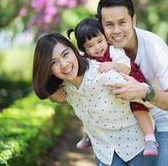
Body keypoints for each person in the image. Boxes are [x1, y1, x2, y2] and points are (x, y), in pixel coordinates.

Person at [32, 33, 155, 166]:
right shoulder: (64, 88)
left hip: (136, 148)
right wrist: (53, 97)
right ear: (48, 69)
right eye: (53, 62)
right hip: (105, 155)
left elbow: (149, 101)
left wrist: (145, 92)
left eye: (65, 54)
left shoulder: (102, 74)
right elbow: (44, 89)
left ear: (74, 51)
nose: (64, 64)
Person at [96, 0, 168, 166]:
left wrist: (145, 92)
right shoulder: (98, 47)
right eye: (109, 25)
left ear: (133, 20)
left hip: (160, 115)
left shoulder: (154, 46)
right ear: (101, 26)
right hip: (122, 120)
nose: (116, 31)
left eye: (122, 22)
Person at [68, 17, 158, 156]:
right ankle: (91, 136)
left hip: (129, 85)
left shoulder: (114, 51)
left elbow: (127, 68)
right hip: (109, 92)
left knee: (139, 110)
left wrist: (114, 65)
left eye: (99, 41)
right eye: (91, 46)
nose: (98, 48)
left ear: (105, 37)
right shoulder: (84, 57)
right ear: (84, 48)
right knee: (92, 108)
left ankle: (150, 140)